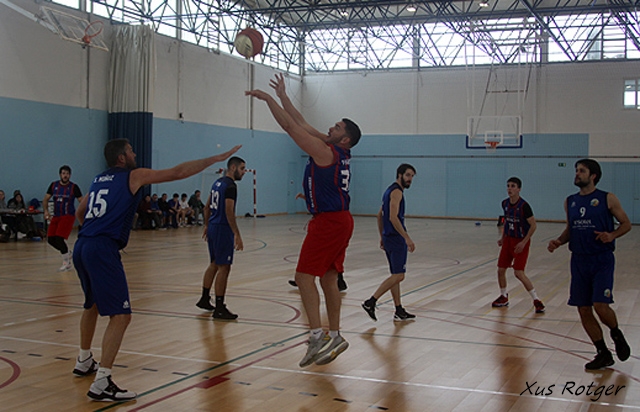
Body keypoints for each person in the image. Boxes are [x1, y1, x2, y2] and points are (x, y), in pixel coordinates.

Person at [72, 138, 240, 402]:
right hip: (102, 248)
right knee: (121, 316)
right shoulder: (133, 176)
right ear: (121, 158)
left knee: (91, 304)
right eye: (131, 151)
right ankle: (102, 382)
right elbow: (178, 172)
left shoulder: (98, 179)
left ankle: (84, 360)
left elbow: (81, 213)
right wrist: (214, 159)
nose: (134, 153)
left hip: (82, 244)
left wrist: (96, 231)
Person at [246, 73, 361, 367]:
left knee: (303, 277)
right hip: (342, 219)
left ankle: (316, 336)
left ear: (345, 139)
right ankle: (335, 334)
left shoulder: (324, 151)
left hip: (329, 222)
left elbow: (290, 126)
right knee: (329, 278)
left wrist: (267, 99)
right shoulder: (336, 150)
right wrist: (283, 95)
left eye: (337, 127)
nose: (330, 127)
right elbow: (300, 122)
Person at [548, 159, 632, 370]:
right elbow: (571, 229)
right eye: (576, 170)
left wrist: (611, 235)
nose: (577, 174)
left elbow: (626, 224)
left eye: (582, 171)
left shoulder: (607, 198)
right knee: (584, 309)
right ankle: (602, 353)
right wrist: (559, 241)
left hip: (601, 259)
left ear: (593, 175)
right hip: (579, 260)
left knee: (600, 305)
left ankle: (616, 333)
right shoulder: (570, 201)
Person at [362, 164, 417, 322]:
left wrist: (382, 236)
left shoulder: (388, 190)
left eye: (412, 176)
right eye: (408, 175)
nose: (410, 179)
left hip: (388, 237)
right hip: (395, 238)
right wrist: (406, 237)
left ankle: (398, 310)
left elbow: (379, 215)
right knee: (399, 275)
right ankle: (371, 302)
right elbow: (393, 217)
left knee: (395, 275)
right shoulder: (397, 192)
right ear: (399, 175)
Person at [196, 157, 247, 319]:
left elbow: (206, 207)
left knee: (214, 263)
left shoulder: (217, 183)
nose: (244, 172)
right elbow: (228, 211)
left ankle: (204, 298)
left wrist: (207, 225)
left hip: (213, 226)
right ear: (233, 168)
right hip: (222, 228)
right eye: (242, 168)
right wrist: (236, 233)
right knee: (224, 267)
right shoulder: (230, 186)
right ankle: (219, 307)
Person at [491, 177, 545, 314]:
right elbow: (507, 223)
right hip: (508, 240)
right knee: (500, 270)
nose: (510, 188)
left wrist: (524, 242)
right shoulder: (504, 203)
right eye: (508, 186)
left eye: (513, 186)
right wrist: (503, 238)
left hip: (521, 241)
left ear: (519, 189)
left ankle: (536, 300)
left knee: (518, 273)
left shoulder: (524, 206)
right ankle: (503, 296)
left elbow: (533, 226)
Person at [288, 192, 347, 291]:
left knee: (328, 259)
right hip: (333, 222)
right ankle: (338, 281)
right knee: (332, 260)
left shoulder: (333, 199)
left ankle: (305, 279)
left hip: (329, 224)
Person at [43, 165, 83, 271]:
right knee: (51, 239)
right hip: (56, 215)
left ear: (70, 175)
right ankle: (67, 253)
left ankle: (66, 263)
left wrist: (84, 214)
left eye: (67, 174)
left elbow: (82, 201)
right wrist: (46, 211)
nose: (65, 176)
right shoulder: (53, 185)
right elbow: (46, 199)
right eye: (63, 173)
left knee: (59, 238)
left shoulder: (74, 187)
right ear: (60, 174)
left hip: (67, 215)